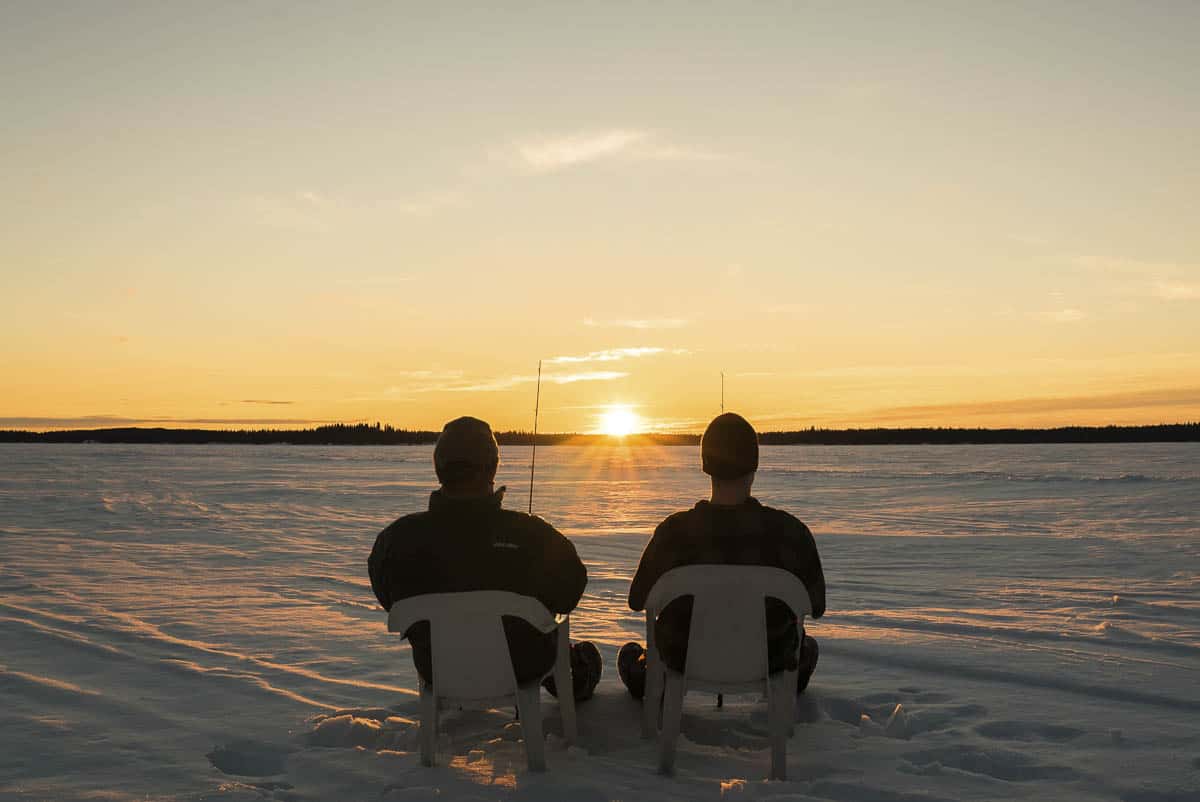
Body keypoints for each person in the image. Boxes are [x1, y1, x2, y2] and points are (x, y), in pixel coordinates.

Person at [368, 416, 602, 700]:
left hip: (438, 668)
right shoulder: (533, 534)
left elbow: (389, 598)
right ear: (492, 467)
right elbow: (569, 592)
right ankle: (573, 671)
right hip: (523, 667)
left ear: (439, 467)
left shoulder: (397, 539)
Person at [617, 412, 826, 699]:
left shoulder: (673, 533)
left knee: (631, 655)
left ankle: (660, 682)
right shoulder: (790, 533)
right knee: (807, 647)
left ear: (707, 466)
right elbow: (816, 605)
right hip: (770, 658)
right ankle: (783, 685)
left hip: (683, 657)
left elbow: (637, 599)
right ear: (754, 466)